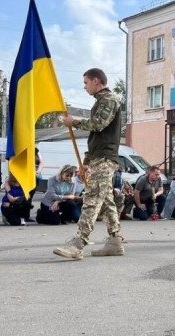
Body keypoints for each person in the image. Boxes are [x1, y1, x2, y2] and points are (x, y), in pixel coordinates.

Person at [53, 68, 125, 259]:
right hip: (98, 158)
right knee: (107, 201)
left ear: (96, 81)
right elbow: (96, 137)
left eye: (86, 82)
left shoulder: (110, 100)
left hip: (105, 158)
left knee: (91, 199)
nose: (84, 87)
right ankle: (115, 241)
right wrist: (86, 162)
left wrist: (73, 121)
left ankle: (78, 244)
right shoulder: (100, 102)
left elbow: (98, 124)